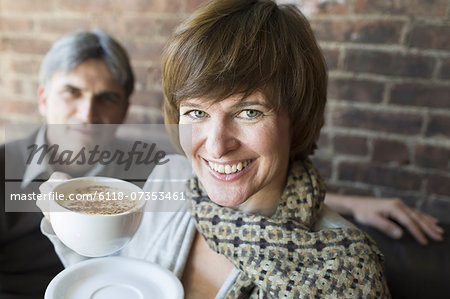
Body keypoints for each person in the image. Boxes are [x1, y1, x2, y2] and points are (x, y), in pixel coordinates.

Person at [39, 1, 390, 297]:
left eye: (249, 112)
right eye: (196, 112)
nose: (217, 145)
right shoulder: (169, 178)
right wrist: (68, 225)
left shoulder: (346, 268)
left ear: (296, 118)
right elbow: (117, 283)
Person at [0, 30, 158, 298]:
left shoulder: (152, 175)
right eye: (71, 92)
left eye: (107, 98)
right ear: (43, 99)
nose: (87, 114)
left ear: (123, 112)